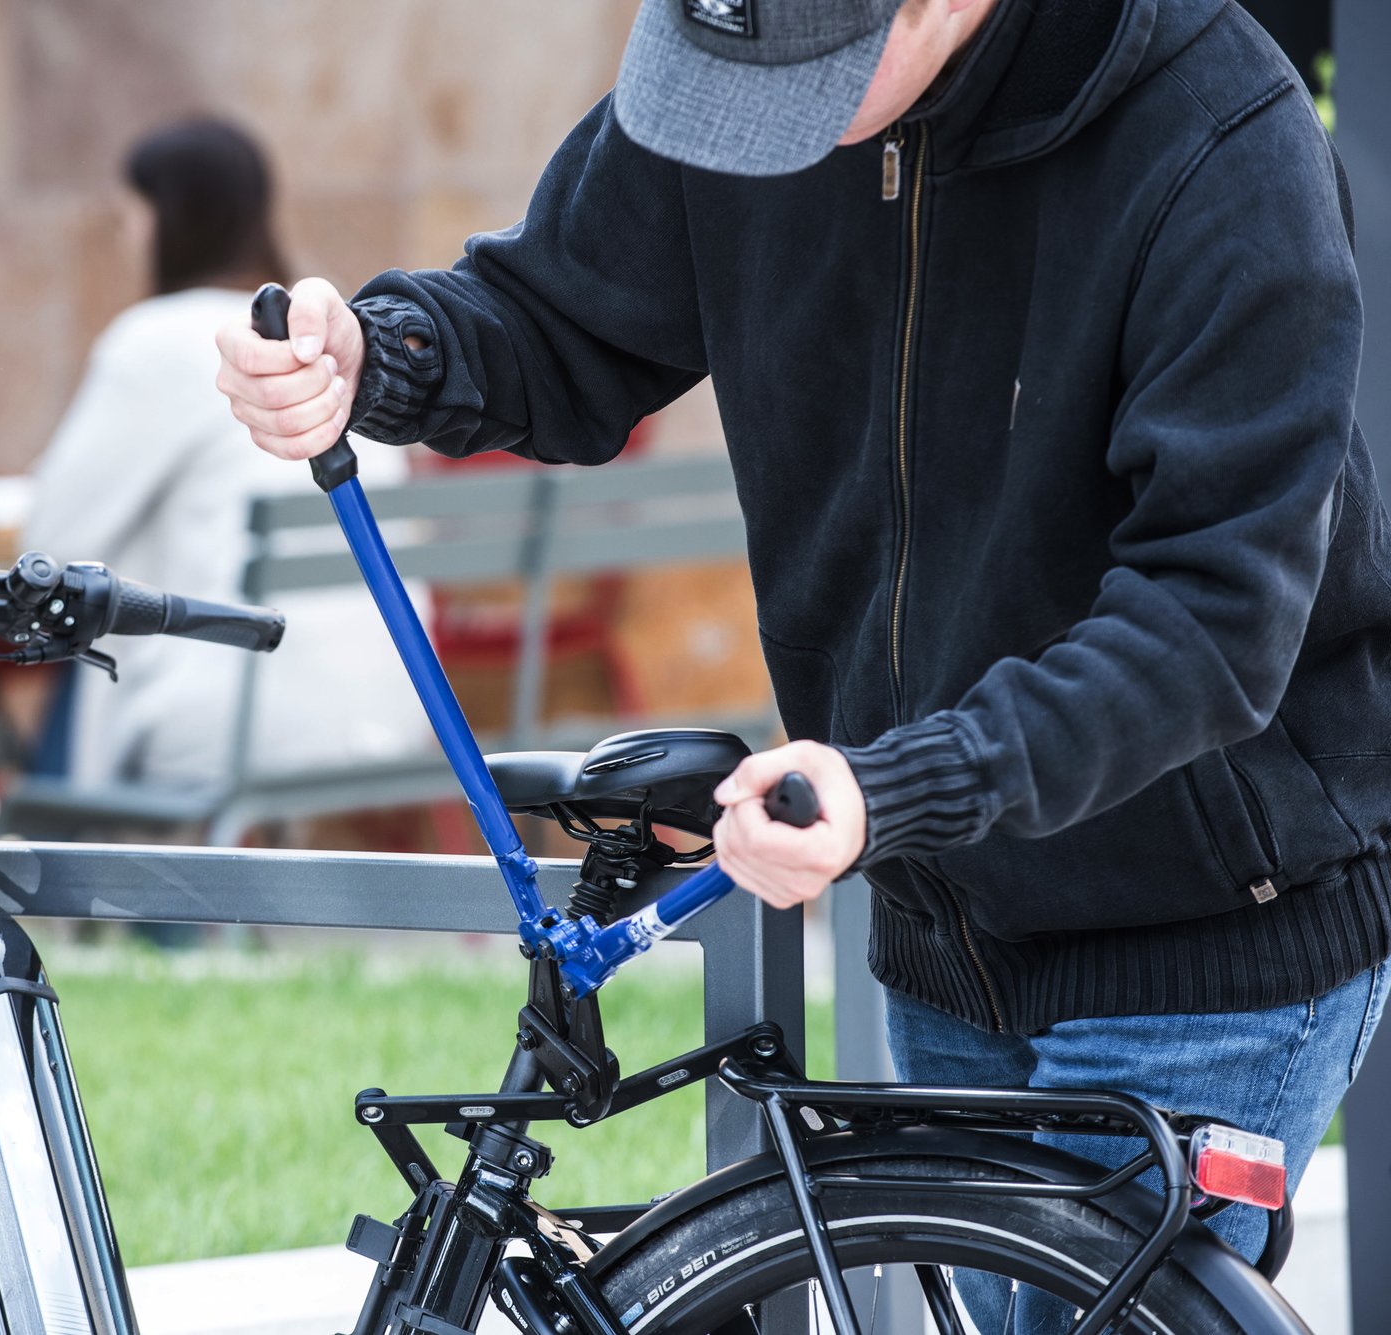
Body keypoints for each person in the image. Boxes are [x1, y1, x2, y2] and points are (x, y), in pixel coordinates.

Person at [217, 0, 1385, 1322]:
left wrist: (899, 785)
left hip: (1203, 933)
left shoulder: (1219, 131)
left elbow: (1212, 617)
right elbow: (558, 318)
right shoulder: (764, 64)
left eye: (804, 79)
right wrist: (378, 352)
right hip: (944, 915)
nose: (766, 126)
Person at [23, 117, 430, 791]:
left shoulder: (155, 340)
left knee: (74, 646)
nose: (128, 239)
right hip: (391, 711)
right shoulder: (334, 339)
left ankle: (46, 885)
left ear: (164, 220)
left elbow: (49, 547)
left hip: (235, 724)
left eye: (130, 218)